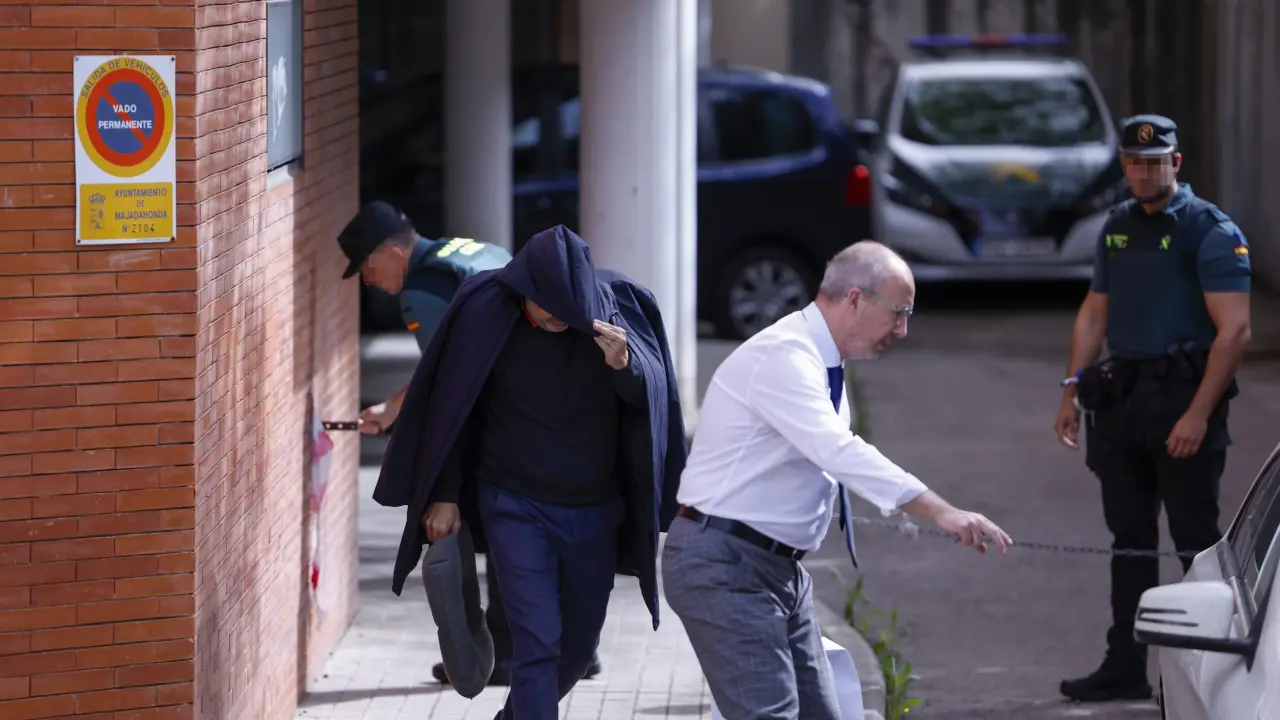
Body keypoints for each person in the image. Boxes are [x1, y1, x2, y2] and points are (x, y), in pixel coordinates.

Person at [663, 240, 1013, 720]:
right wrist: (939, 511)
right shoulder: (785, 355)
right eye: (898, 314)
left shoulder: (822, 358)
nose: (903, 330)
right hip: (725, 565)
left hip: (773, 568)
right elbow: (838, 450)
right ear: (855, 299)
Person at [372, 225, 686, 720]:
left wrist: (624, 366)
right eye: (548, 308)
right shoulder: (485, 309)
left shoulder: (616, 309)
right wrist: (445, 493)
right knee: (536, 644)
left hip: (595, 512)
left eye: (569, 309)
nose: (560, 317)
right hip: (515, 505)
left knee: (577, 652)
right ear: (526, 290)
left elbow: (651, 407)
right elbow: (453, 406)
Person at [1054, 114, 1252, 702]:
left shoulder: (1208, 229)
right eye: (1134, 163)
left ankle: (1216, 673)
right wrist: (1070, 390)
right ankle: (1125, 665)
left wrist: (1198, 414)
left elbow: (1235, 331)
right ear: (1123, 165)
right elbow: (1094, 313)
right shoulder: (1116, 227)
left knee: (1196, 544)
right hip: (1123, 405)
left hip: (1183, 401)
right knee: (1130, 541)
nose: (1143, 173)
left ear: (1176, 163)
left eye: (1154, 162)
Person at [337, 201, 553, 686]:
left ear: (392, 252)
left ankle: (508, 655)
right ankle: (574, 647)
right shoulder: (469, 250)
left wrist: (436, 470)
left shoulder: (423, 287)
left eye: (367, 267)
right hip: (542, 401)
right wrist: (393, 407)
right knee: (533, 526)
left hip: (503, 420)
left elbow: (450, 376)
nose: (368, 281)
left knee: (504, 529)